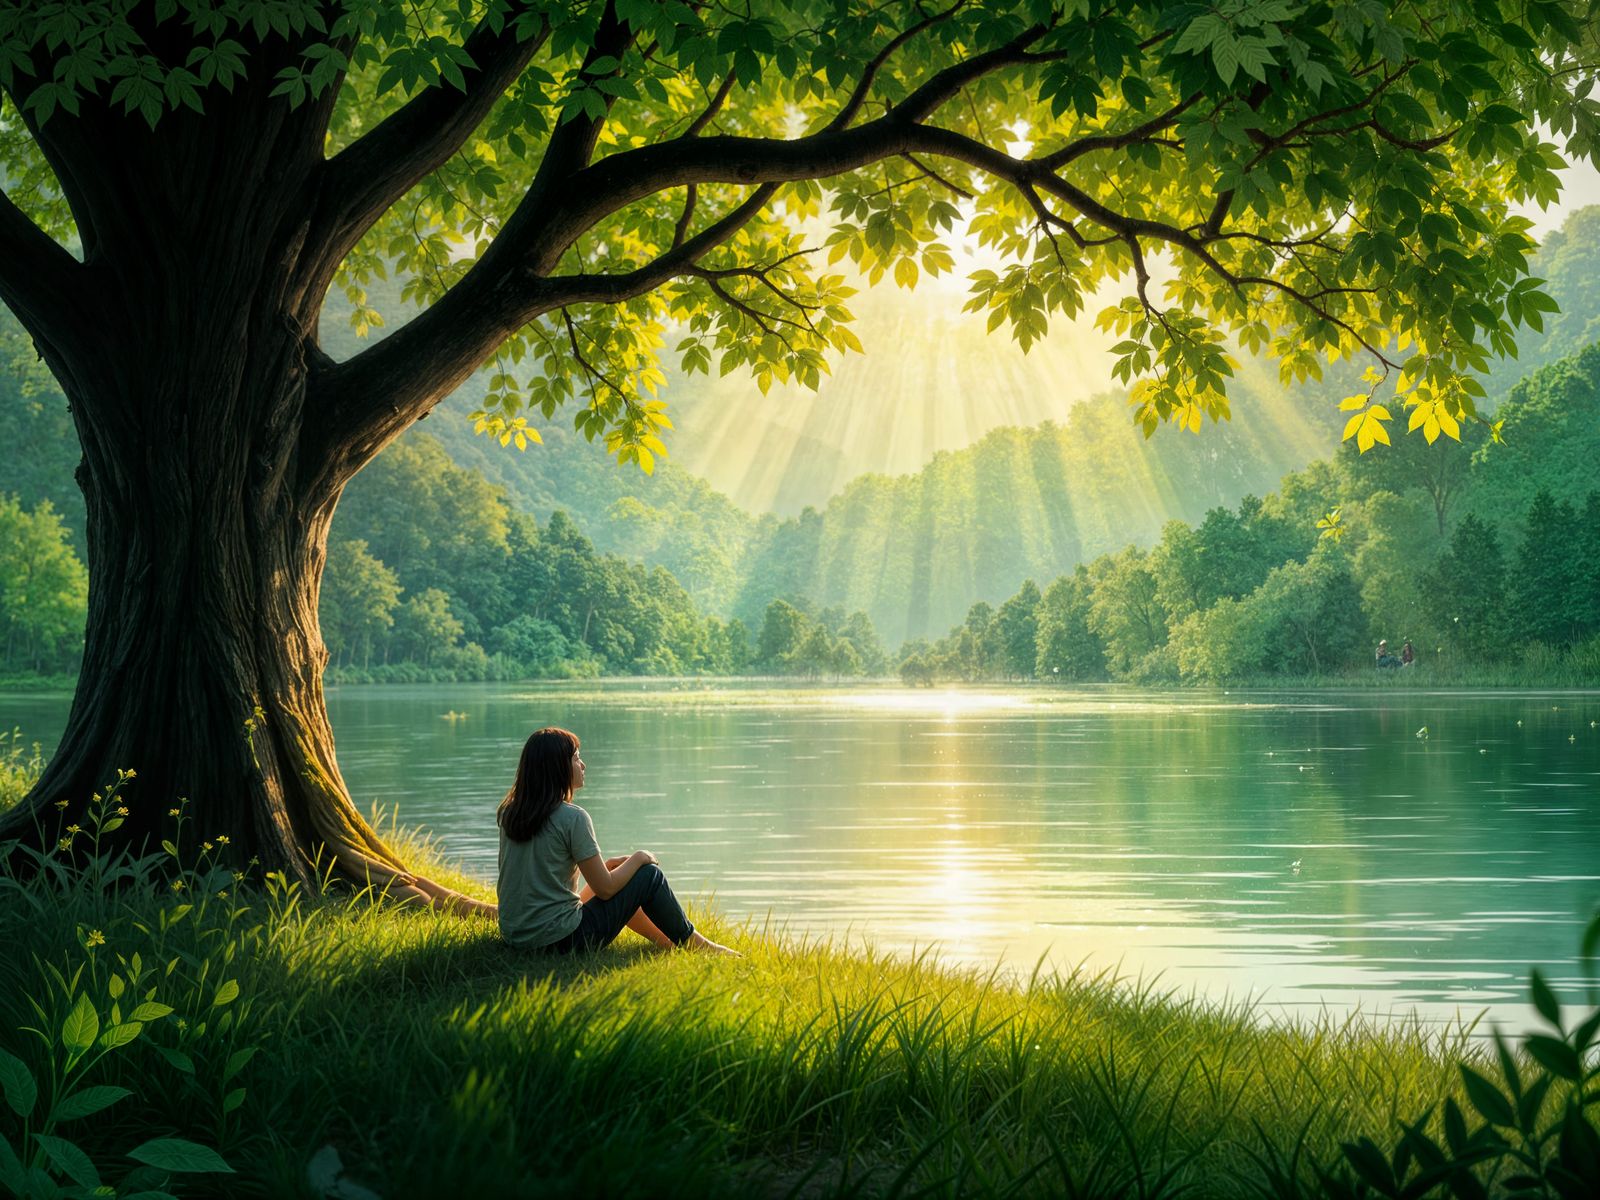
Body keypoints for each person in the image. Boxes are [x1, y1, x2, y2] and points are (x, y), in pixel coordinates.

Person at [496, 727, 738, 956]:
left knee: (614, 870)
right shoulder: (573, 817)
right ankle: (699, 945)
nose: (583, 765)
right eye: (576, 758)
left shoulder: (510, 812)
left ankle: (669, 945)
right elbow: (606, 888)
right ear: (557, 768)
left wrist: (614, 866)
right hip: (562, 942)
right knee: (648, 875)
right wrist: (639, 857)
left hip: (516, 938)